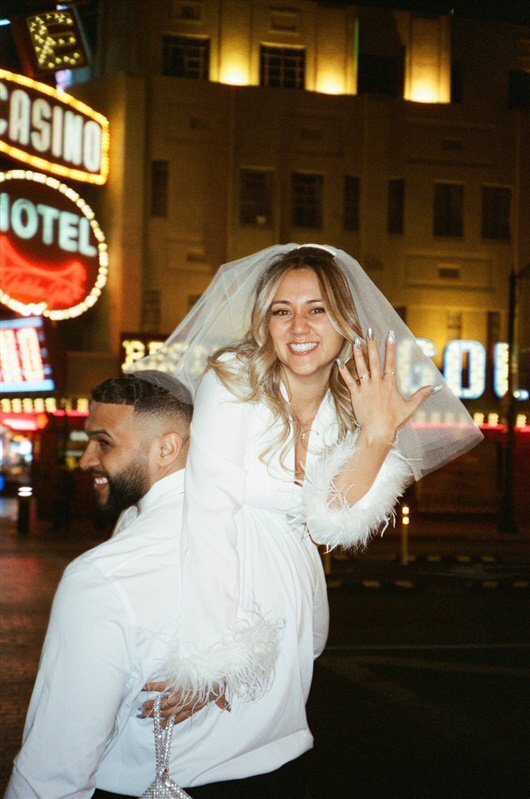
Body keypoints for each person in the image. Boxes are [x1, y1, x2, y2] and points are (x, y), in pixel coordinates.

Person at [133, 245, 483, 784]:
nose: (298, 325)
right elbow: (208, 515)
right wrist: (206, 657)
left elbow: (330, 522)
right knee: (179, 760)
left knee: (267, 762)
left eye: (317, 309)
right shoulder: (234, 382)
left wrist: (376, 435)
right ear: (265, 323)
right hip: (200, 590)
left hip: (289, 603)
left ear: (345, 321)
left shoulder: (351, 403)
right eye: (281, 310)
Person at [5, 369, 329, 799]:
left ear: (167, 447)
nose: (85, 460)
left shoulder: (104, 574)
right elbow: (311, 643)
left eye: (104, 442)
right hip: (284, 779)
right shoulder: (286, 530)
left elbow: (55, 768)